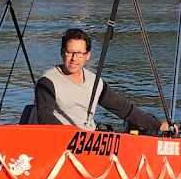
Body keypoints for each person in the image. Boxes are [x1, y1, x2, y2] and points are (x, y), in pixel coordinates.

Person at [35, 28, 171, 133]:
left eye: (80, 53)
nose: (74, 59)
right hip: (57, 139)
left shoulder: (95, 82)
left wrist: (157, 125)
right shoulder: (48, 81)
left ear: (87, 55)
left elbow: (122, 108)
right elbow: (44, 115)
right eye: (70, 52)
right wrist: (70, 134)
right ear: (62, 53)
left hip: (88, 142)